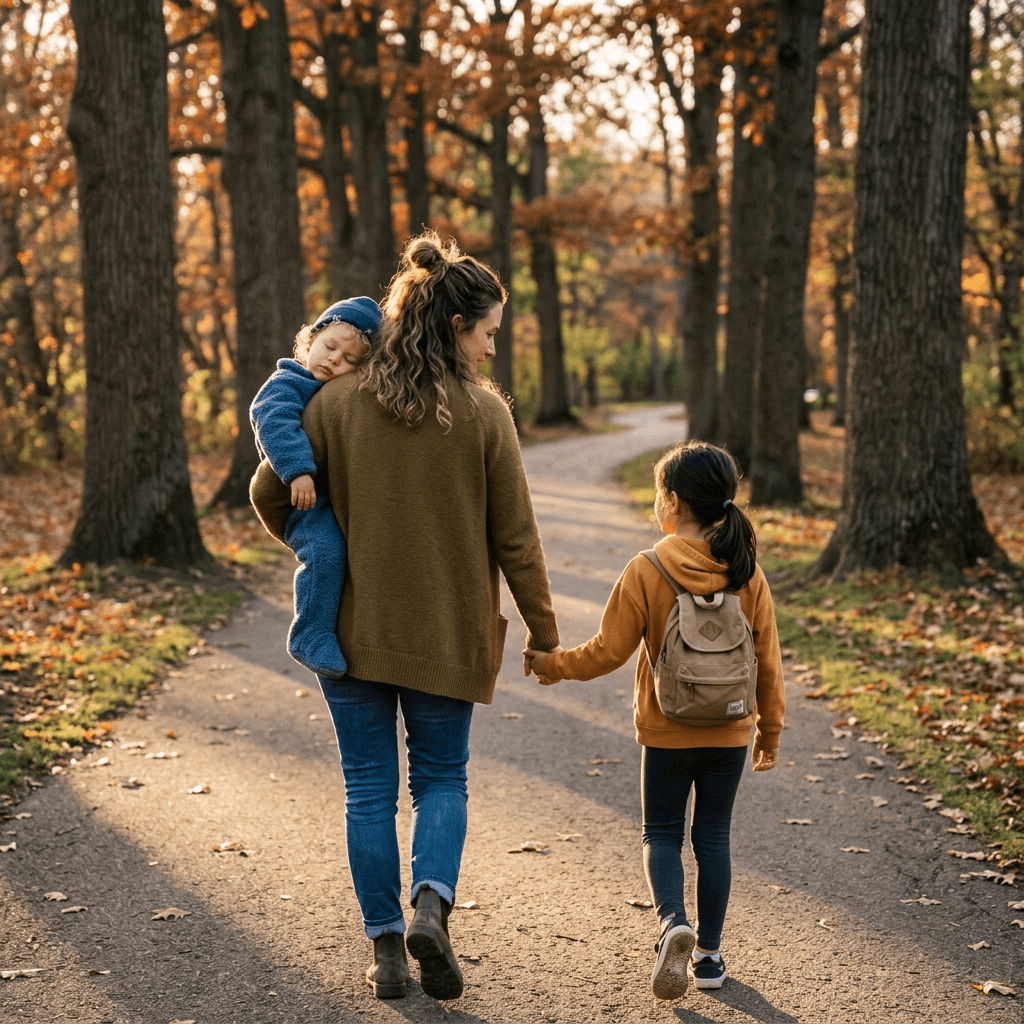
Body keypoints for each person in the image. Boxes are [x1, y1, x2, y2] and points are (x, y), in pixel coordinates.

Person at [249, 232, 559, 1002]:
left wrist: (315, 540)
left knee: (366, 790)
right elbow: (516, 540)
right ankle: (431, 904)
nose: (491, 349)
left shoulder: (335, 402)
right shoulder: (485, 415)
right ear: (457, 326)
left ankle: (386, 950)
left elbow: (266, 489)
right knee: (441, 780)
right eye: (488, 332)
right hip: (446, 632)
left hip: (348, 630)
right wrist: (545, 635)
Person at [525, 440, 784, 1000]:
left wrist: (553, 666)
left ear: (672, 500)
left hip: (666, 729)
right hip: (732, 729)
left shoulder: (648, 568)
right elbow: (769, 661)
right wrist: (770, 731)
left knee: (661, 833)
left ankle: (673, 924)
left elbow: (606, 652)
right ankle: (710, 957)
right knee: (713, 835)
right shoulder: (746, 570)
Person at [250, 296, 383, 679]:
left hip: (331, 497)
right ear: (311, 339)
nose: (333, 360)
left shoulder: (338, 391)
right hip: (303, 501)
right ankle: (310, 633)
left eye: (349, 360)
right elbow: (271, 420)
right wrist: (298, 471)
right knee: (325, 553)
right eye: (329, 347)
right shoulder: (289, 381)